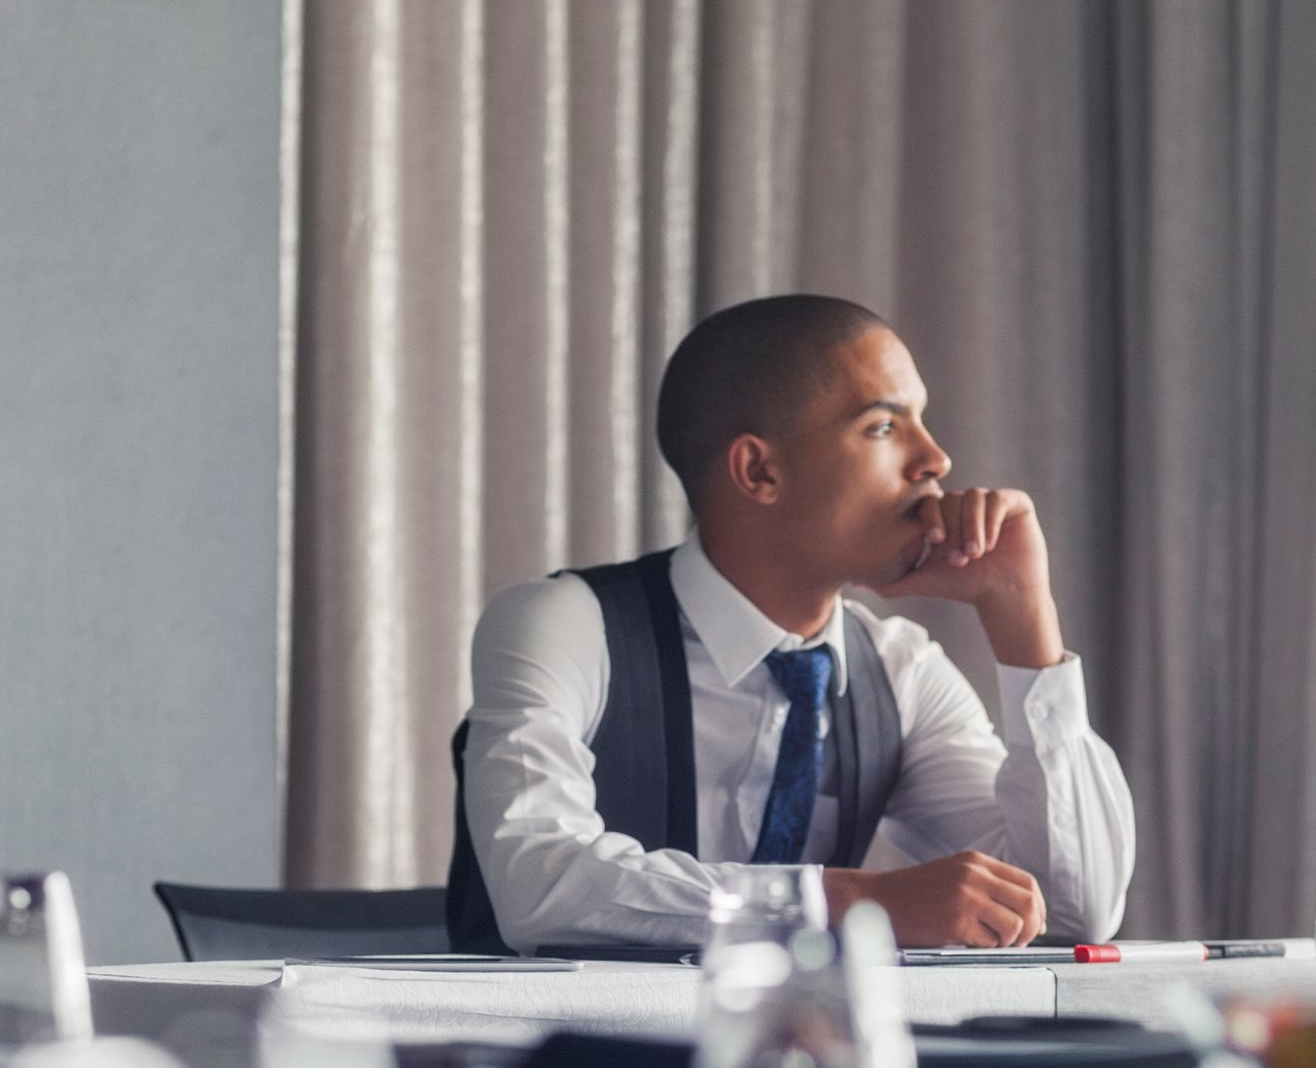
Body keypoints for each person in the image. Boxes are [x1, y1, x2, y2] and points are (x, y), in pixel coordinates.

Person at [447, 294, 1136, 952]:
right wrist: (853, 905)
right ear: (759, 470)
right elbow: (541, 883)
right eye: (884, 427)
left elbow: (1072, 911)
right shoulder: (564, 625)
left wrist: (1024, 620)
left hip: (810, 1067)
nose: (936, 461)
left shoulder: (899, 668)